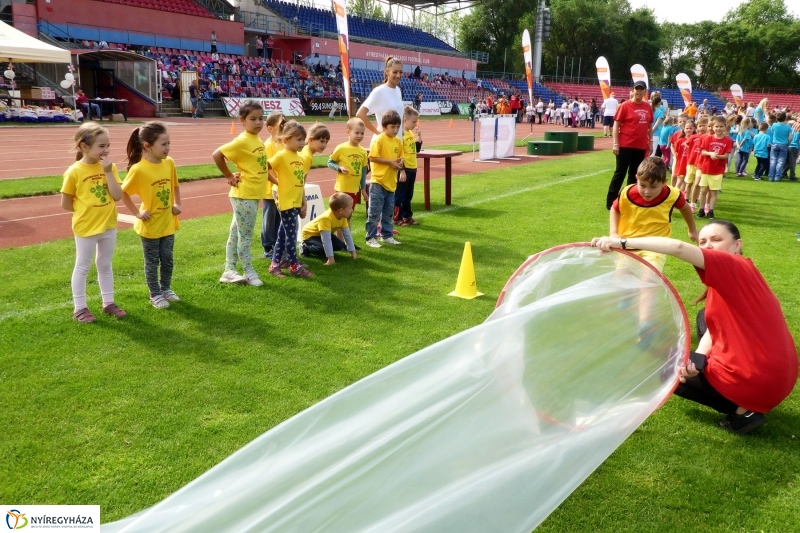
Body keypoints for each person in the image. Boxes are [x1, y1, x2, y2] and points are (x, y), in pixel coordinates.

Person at [591, 220, 798, 434]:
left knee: (670, 371)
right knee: (704, 317)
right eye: (703, 241)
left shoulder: (731, 266)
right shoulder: (740, 271)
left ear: (737, 245)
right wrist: (697, 360)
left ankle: (743, 413)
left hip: (759, 380)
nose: (708, 245)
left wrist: (622, 242)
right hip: (780, 378)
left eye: (716, 239)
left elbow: (678, 247)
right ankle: (739, 394)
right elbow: (715, 325)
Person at [60, 122, 125, 322]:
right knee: (82, 267)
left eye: (108, 145)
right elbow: (66, 203)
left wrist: (108, 172)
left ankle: (108, 302)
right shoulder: (74, 171)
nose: (106, 150)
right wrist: (86, 211)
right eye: (101, 146)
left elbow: (117, 196)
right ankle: (80, 307)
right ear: (84, 147)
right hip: (86, 227)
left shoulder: (109, 167)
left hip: (108, 225)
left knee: (105, 264)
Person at [120, 122, 182, 309]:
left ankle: (166, 289)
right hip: (150, 225)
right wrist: (137, 213)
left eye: (169, 143)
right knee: (152, 261)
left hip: (167, 222)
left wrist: (177, 203)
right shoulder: (138, 169)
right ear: (147, 146)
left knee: (168, 259)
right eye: (163, 144)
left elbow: (175, 185)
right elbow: (123, 193)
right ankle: (155, 294)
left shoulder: (169, 163)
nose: (168, 148)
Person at [212, 100, 269, 286]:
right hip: (245, 195)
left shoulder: (257, 139)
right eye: (253, 119)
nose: (258, 122)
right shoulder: (242, 140)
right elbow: (217, 154)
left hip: (252, 194)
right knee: (246, 236)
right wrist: (229, 175)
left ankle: (229, 270)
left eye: (261, 118)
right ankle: (249, 271)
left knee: (236, 233)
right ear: (242, 120)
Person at [609, 156, 698, 272]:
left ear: (664, 182)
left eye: (654, 187)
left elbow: (685, 208)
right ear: (636, 178)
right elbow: (615, 209)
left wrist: (692, 230)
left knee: (649, 278)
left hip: (656, 246)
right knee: (621, 278)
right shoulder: (627, 193)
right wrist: (613, 233)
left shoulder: (673, 195)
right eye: (642, 185)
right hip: (628, 243)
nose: (647, 191)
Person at [267, 120, 313, 278]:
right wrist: (277, 182)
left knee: (283, 235)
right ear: (286, 139)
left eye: (303, 139)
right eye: (299, 139)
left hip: (295, 201)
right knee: (291, 236)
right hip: (286, 202)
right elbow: (264, 168)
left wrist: (302, 202)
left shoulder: (300, 158)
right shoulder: (281, 156)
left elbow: (300, 183)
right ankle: (294, 266)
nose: (302, 143)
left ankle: (274, 265)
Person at [605, 80, 653, 209]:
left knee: (635, 175)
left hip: (640, 145)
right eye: (637, 89)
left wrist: (650, 142)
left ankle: (630, 199)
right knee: (620, 173)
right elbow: (616, 125)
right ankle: (611, 201)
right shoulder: (625, 105)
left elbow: (649, 126)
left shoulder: (647, 106)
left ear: (645, 91)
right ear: (633, 90)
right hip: (625, 144)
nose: (639, 92)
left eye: (641, 89)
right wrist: (615, 143)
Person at [365, 110, 403, 248]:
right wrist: (390, 163)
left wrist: (399, 164)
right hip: (378, 182)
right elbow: (372, 157)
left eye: (397, 127)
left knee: (388, 212)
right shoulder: (379, 139)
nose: (395, 130)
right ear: (384, 126)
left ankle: (386, 235)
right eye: (392, 127)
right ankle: (370, 237)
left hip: (391, 182)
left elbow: (400, 158)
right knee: (374, 212)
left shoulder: (398, 141)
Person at [328, 117, 368, 229]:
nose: (359, 136)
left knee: (348, 216)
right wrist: (339, 168)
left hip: (354, 190)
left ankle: (347, 238)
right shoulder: (341, 148)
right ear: (348, 132)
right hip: (342, 189)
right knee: (339, 217)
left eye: (362, 133)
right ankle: (337, 237)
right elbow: (330, 162)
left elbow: (363, 172)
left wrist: (363, 190)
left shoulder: (363, 151)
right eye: (357, 133)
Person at [356, 56, 405, 146]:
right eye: (395, 72)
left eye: (400, 72)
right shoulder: (379, 91)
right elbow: (360, 114)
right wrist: (378, 133)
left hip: (396, 143)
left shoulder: (398, 90)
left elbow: (400, 114)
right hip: (383, 144)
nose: (398, 75)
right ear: (387, 71)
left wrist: (402, 130)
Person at [300, 193, 358, 264]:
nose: (352, 210)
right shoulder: (326, 218)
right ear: (341, 210)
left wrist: (353, 253)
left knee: (340, 245)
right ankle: (305, 246)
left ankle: (324, 250)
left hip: (322, 233)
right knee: (321, 249)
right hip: (310, 235)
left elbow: (347, 235)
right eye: (350, 207)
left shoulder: (343, 217)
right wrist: (330, 259)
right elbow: (326, 240)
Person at [696, 116, 733, 220]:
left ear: (725, 127)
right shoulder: (708, 138)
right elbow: (703, 152)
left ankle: (711, 211)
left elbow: (726, 156)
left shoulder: (728, 141)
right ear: (713, 127)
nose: (718, 129)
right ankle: (701, 209)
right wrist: (710, 153)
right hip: (706, 168)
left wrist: (717, 156)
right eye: (716, 126)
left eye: (721, 126)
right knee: (703, 190)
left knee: (714, 192)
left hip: (717, 170)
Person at [261, 111, 286, 259]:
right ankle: (268, 247)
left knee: (279, 218)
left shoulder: (284, 143)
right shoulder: (268, 145)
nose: (284, 127)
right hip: (271, 189)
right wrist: (278, 182)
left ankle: (278, 244)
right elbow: (267, 168)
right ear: (270, 128)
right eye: (281, 124)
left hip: (283, 187)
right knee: (269, 218)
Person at [394, 106, 422, 227]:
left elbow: (416, 150)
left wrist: (419, 137)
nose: (415, 124)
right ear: (405, 120)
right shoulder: (400, 135)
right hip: (404, 169)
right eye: (413, 122)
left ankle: (407, 215)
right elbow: (399, 154)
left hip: (412, 168)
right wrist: (402, 170)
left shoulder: (410, 133)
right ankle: (397, 217)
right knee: (399, 194)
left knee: (408, 195)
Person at [767, 111, 792, 182]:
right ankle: (777, 177)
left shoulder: (774, 125)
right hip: (784, 144)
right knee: (780, 162)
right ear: (785, 118)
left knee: (773, 161)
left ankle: (771, 176)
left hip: (775, 144)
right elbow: (790, 138)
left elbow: (772, 132)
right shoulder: (788, 127)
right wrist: (788, 143)